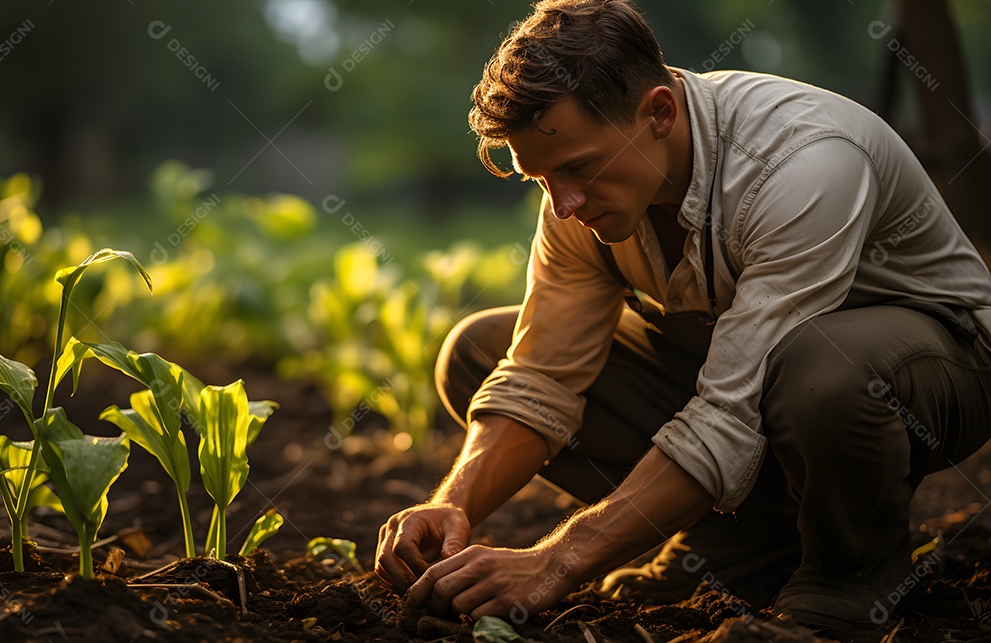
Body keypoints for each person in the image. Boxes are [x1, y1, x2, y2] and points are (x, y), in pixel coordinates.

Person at [374, 0, 991, 633]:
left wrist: (556, 562)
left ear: (660, 112)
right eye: (540, 179)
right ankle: (749, 542)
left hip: (932, 366)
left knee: (819, 369)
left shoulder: (802, 163)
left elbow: (731, 411)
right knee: (480, 353)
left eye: (576, 168)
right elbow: (542, 378)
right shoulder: (581, 199)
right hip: (760, 375)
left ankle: (848, 578)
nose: (562, 204)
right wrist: (453, 505)